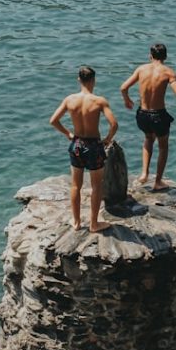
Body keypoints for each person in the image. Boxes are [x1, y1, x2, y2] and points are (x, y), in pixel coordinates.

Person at [50, 66, 119, 232]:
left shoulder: (70, 100)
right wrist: (107, 139)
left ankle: (76, 222)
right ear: (93, 80)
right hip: (94, 146)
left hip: (77, 145)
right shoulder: (99, 101)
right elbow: (114, 124)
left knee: (75, 186)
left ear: (79, 80)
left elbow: (53, 120)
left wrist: (68, 134)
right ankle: (94, 224)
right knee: (96, 186)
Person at [120, 43, 176, 191]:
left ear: (150, 55)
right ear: (165, 57)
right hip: (159, 115)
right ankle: (158, 182)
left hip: (142, 114)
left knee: (148, 139)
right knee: (163, 146)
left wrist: (126, 99)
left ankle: (144, 174)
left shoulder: (141, 69)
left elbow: (123, 87)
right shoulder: (168, 72)